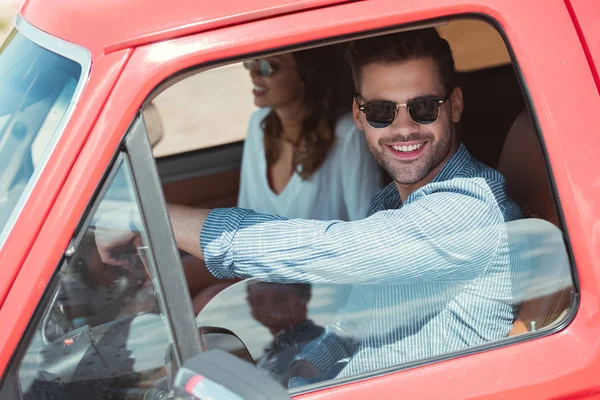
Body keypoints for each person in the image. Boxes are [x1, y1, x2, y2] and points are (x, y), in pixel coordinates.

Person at [97, 28, 522, 386]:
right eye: (380, 112)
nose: (404, 127)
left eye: (424, 107)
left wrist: (152, 216)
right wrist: (298, 373)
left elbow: (349, 253)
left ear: (457, 106)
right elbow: (353, 327)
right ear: (359, 116)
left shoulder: (468, 206)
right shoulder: (392, 204)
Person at [239, 48, 384, 220]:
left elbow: (366, 226)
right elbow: (243, 216)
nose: (254, 73)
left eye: (269, 66)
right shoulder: (257, 125)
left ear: (305, 75)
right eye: (252, 62)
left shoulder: (347, 135)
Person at [245, 281, 324, 383]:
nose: (267, 307)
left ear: (305, 297)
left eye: (278, 298)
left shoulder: (314, 349)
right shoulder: (274, 350)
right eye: (256, 300)